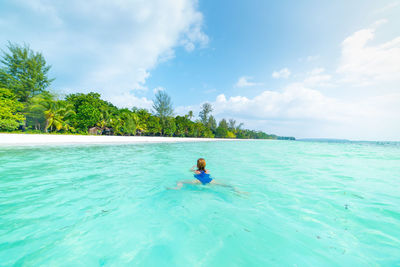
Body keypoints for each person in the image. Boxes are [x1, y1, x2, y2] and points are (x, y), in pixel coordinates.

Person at [167, 158, 246, 194]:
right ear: (205, 164)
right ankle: (237, 191)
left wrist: (193, 167)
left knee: (180, 181)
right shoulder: (207, 170)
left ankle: (177, 188)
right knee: (227, 185)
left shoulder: (196, 171)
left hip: (198, 181)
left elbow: (189, 170)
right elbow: (207, 174)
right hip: (210, 181)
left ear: (197, 165)